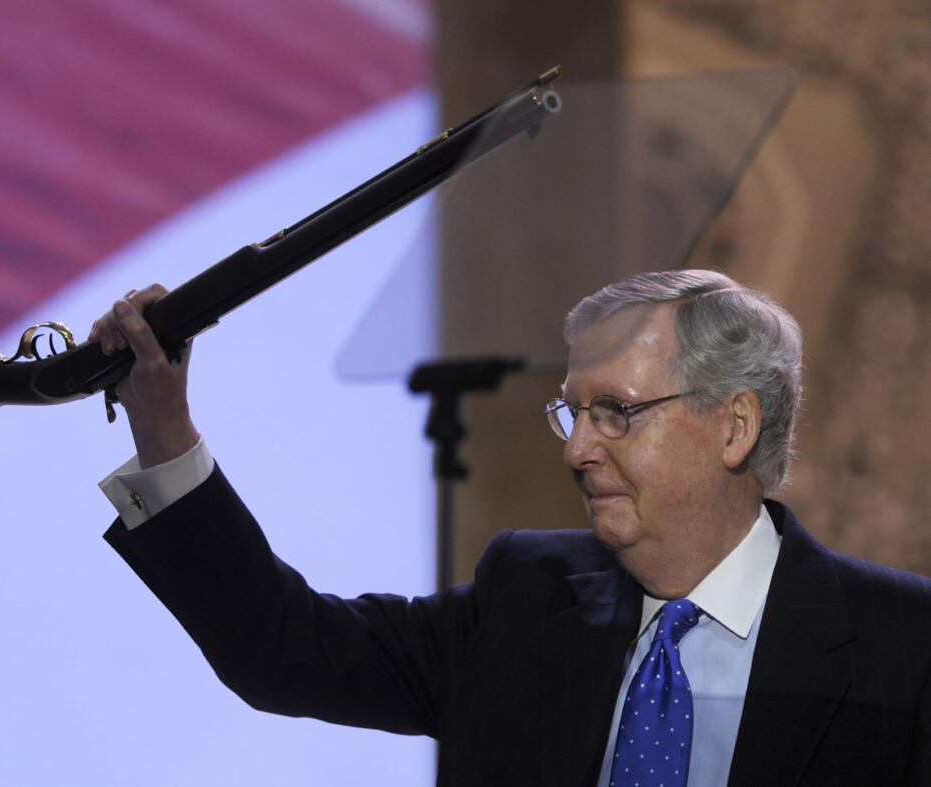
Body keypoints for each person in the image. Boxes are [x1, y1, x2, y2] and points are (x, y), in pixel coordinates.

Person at [88, 271, 931, 785]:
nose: (578, 450)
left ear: (734, 427)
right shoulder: (526, 597)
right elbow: (284, 646)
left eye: (616, 413)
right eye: (572, 412)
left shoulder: (904, 646)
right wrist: (164, 426)